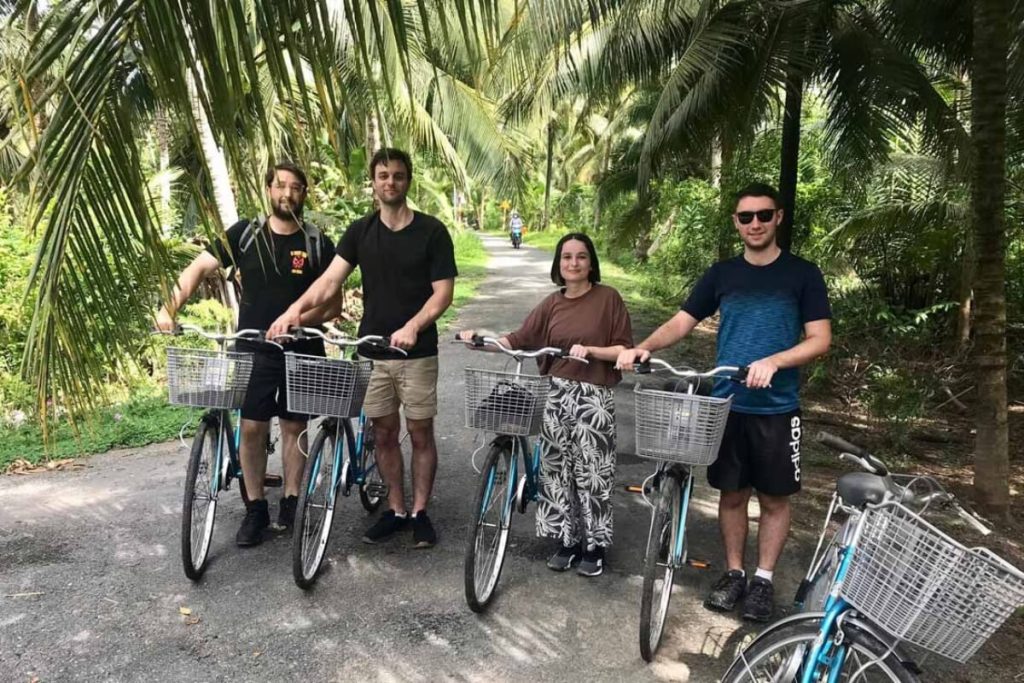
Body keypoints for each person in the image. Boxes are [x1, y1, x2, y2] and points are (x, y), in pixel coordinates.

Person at [617, 183, 832, 621]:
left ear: (778, 218)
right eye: (746, 217)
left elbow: (820, 339)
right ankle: (734, 573)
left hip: (777, 407)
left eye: (763, 215)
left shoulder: (802, 274)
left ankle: (763, 580)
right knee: (732, 495)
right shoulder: (722, 274)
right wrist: (647, 347)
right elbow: (683, 320)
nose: (755, 223)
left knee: (773, 499)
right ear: (736, 222)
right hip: (727, 405)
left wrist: (774, 360)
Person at [268, 148, 457, 549]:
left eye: (399, 176)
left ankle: (421, 512)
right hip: (372, 350)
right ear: (373, 182)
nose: (391, 182)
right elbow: (329, 283)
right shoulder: (360, 231)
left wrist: (413, 326)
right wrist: (293, 312)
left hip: (417, 353)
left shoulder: (431, 231)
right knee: (384, 434)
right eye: (383, 175)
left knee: (420, 434)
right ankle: (396, 508)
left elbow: (443, 294)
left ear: (409, 181)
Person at [156, 161, 339, 547]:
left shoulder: (317, 242)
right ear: (269, 190)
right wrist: (168, 309)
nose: (286, 193)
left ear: (304, 194)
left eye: (295, 187)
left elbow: (332, 305)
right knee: (252, 427)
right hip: (253, 347)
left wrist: (297, 320)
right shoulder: (245, 235)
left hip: (303, 348)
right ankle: (255, 508)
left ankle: (291, 502)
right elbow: (197, 269)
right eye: (279, 186)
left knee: (294, 426)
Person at [459, 232, 633, 577]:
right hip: (554, 393)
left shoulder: (608, 299)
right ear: (558, 264)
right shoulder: (552, 303)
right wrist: (481, 341)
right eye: (566, 257)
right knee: (556, 470)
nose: (573, 263)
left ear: (591, 262)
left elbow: (624, 349)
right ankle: (565, 541)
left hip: (592, 396)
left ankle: (594, 546)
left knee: (592, 473)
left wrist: (592, 351)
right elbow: (520, 338)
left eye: (581, 257)